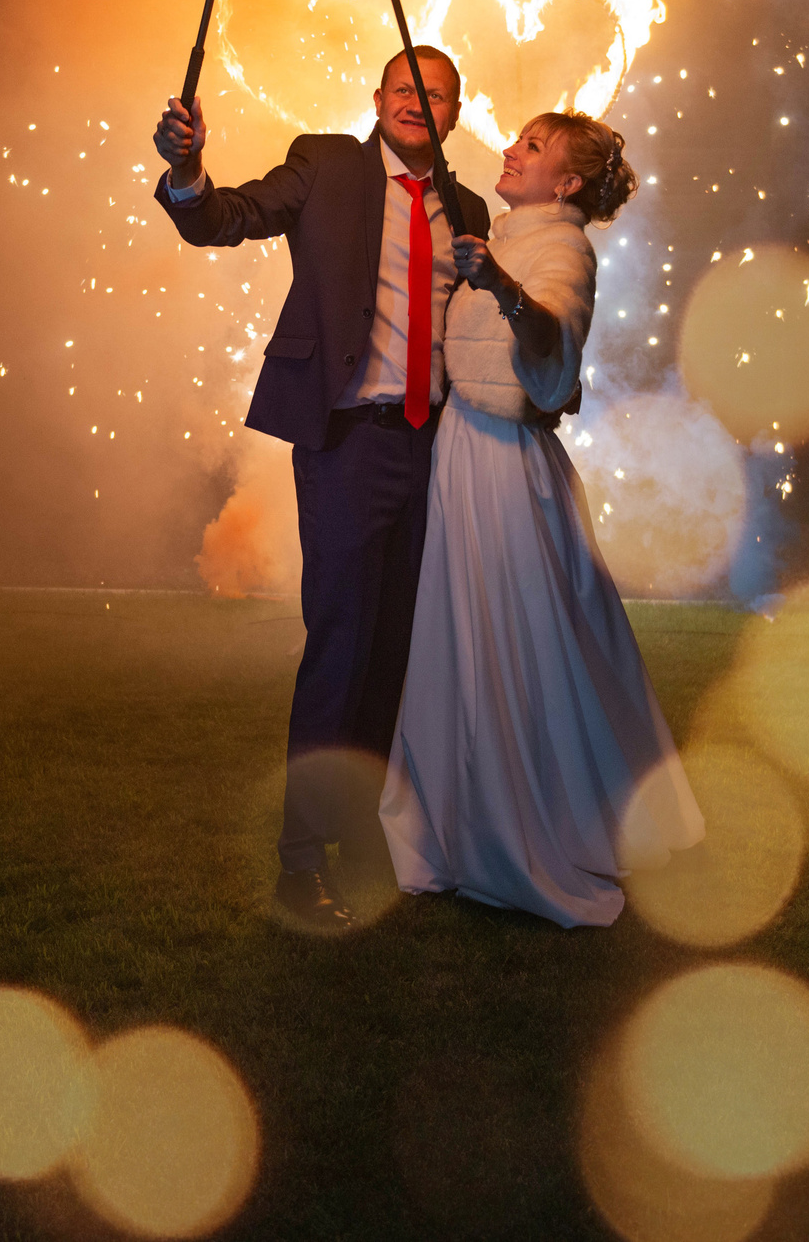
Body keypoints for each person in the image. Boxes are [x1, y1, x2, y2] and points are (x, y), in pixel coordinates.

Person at [152, 48, 492, 932]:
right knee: (342, 647)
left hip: (437, 452)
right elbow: (223, 217)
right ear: (378, 99)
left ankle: (365, 834)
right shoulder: (329, 163)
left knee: (398, 654)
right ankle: (299, 865)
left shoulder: (468, 206)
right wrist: (187, 170)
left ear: (457, 113)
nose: (420, 101)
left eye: (439, 93)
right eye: (405, 87)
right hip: (349, 443)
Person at [379, 111, 705, 928]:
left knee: (515, 639)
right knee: (467, 637)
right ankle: (462, 815)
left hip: (503, 467)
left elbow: (554, 330)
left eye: (532, 146)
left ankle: (528, 822)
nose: (510, 149)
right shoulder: (504, 231)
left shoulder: (563, 248)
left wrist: (503, 289)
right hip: (466, 450)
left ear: (565, 184)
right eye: (517, 138)